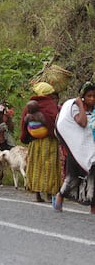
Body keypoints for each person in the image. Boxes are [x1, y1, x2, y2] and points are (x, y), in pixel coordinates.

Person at [53, 81, 95, 213]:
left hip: (92, 149)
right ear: (82, 96)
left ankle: (93, 208)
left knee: (93, 178)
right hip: (76, 150)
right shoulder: (75, 107)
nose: (92, 99)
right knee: (73, 178)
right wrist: (80, 105)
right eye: (89, 96)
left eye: (94, 96)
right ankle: (60, 195)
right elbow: (82, 123)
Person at [20, 82, 61, 202]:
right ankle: (49, 194)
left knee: (35, 166)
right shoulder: (49, 105)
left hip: (34, 142)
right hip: (49, 142)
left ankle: (37, 194)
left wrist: (25, 137)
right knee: (49, 166)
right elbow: (54, 121)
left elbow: (23, 123)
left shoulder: (30, 106)